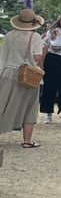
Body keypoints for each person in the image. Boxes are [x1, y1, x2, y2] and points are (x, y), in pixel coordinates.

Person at [0, 8, 46, 148]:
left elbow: (3, 56)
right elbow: (37, 57)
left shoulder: (9, 35)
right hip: (28, 74)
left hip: (8, 72)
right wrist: (42, 67)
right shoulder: (35, 37)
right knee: (30, 107)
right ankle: (27, 141)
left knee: (3, 104)